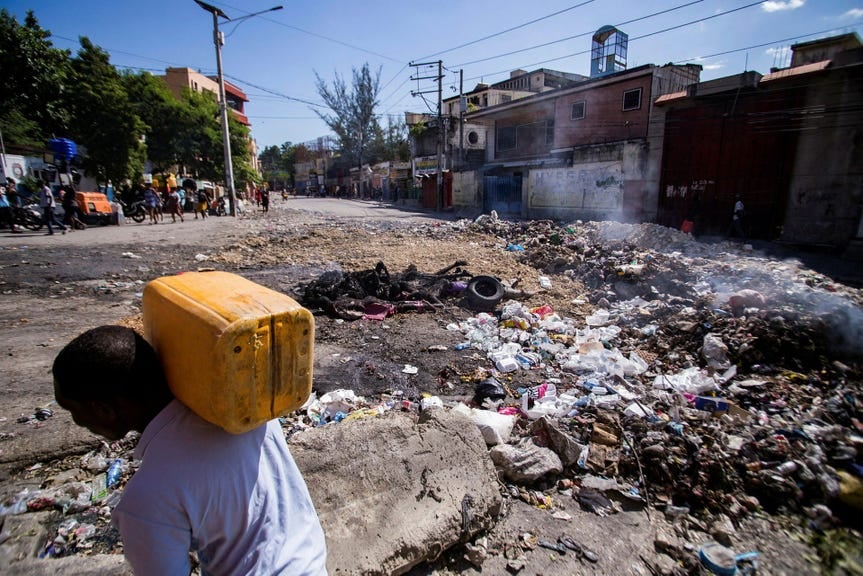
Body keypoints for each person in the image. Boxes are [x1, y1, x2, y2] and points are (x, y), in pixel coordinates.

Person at [52, 325, 328, 575]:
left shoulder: (147, 497)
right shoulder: (251, 410)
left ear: (104, 409)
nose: (78, 422)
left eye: (73, 410)